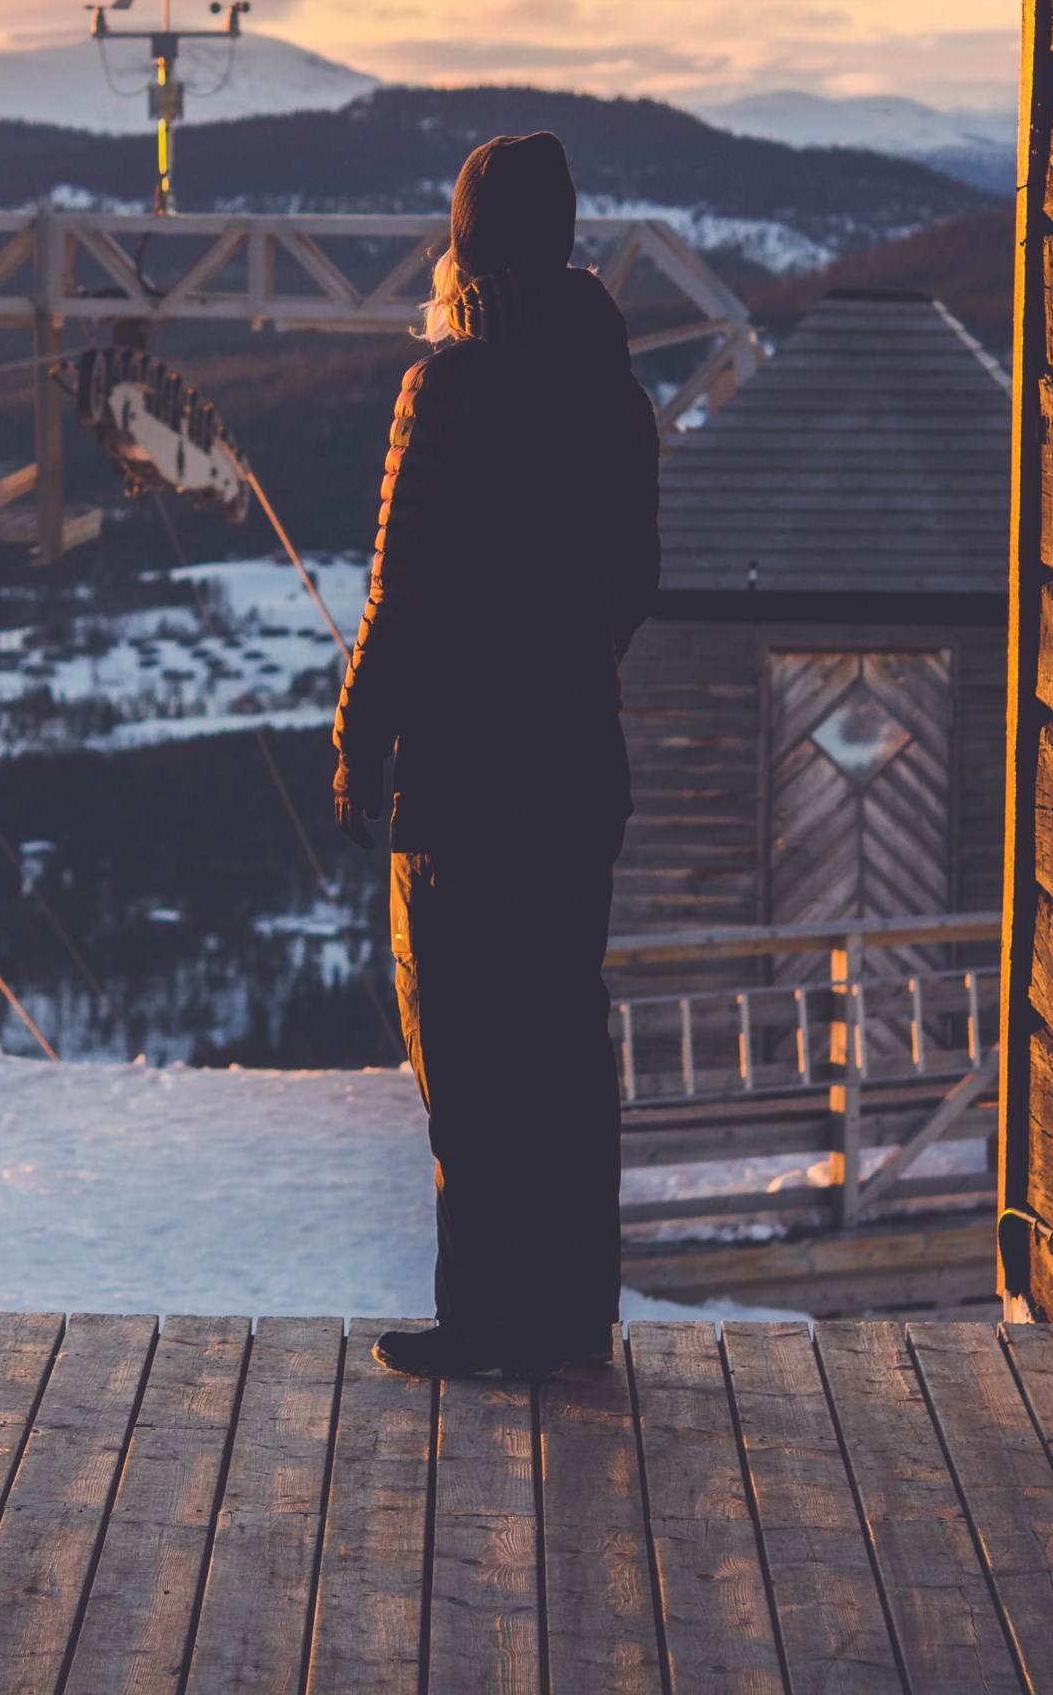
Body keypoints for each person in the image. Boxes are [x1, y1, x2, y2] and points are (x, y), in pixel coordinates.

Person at [332, 130, 658, 1379]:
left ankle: (483, 1316)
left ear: (465, 248)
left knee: (465, 1048)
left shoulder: (449, 389)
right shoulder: (612, 391)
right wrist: (564, 667)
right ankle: (571, 1322)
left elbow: (400, 593)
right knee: (561, 1042)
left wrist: (360, 735)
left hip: (462, 775)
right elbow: (633, 581)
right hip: (575, 762)